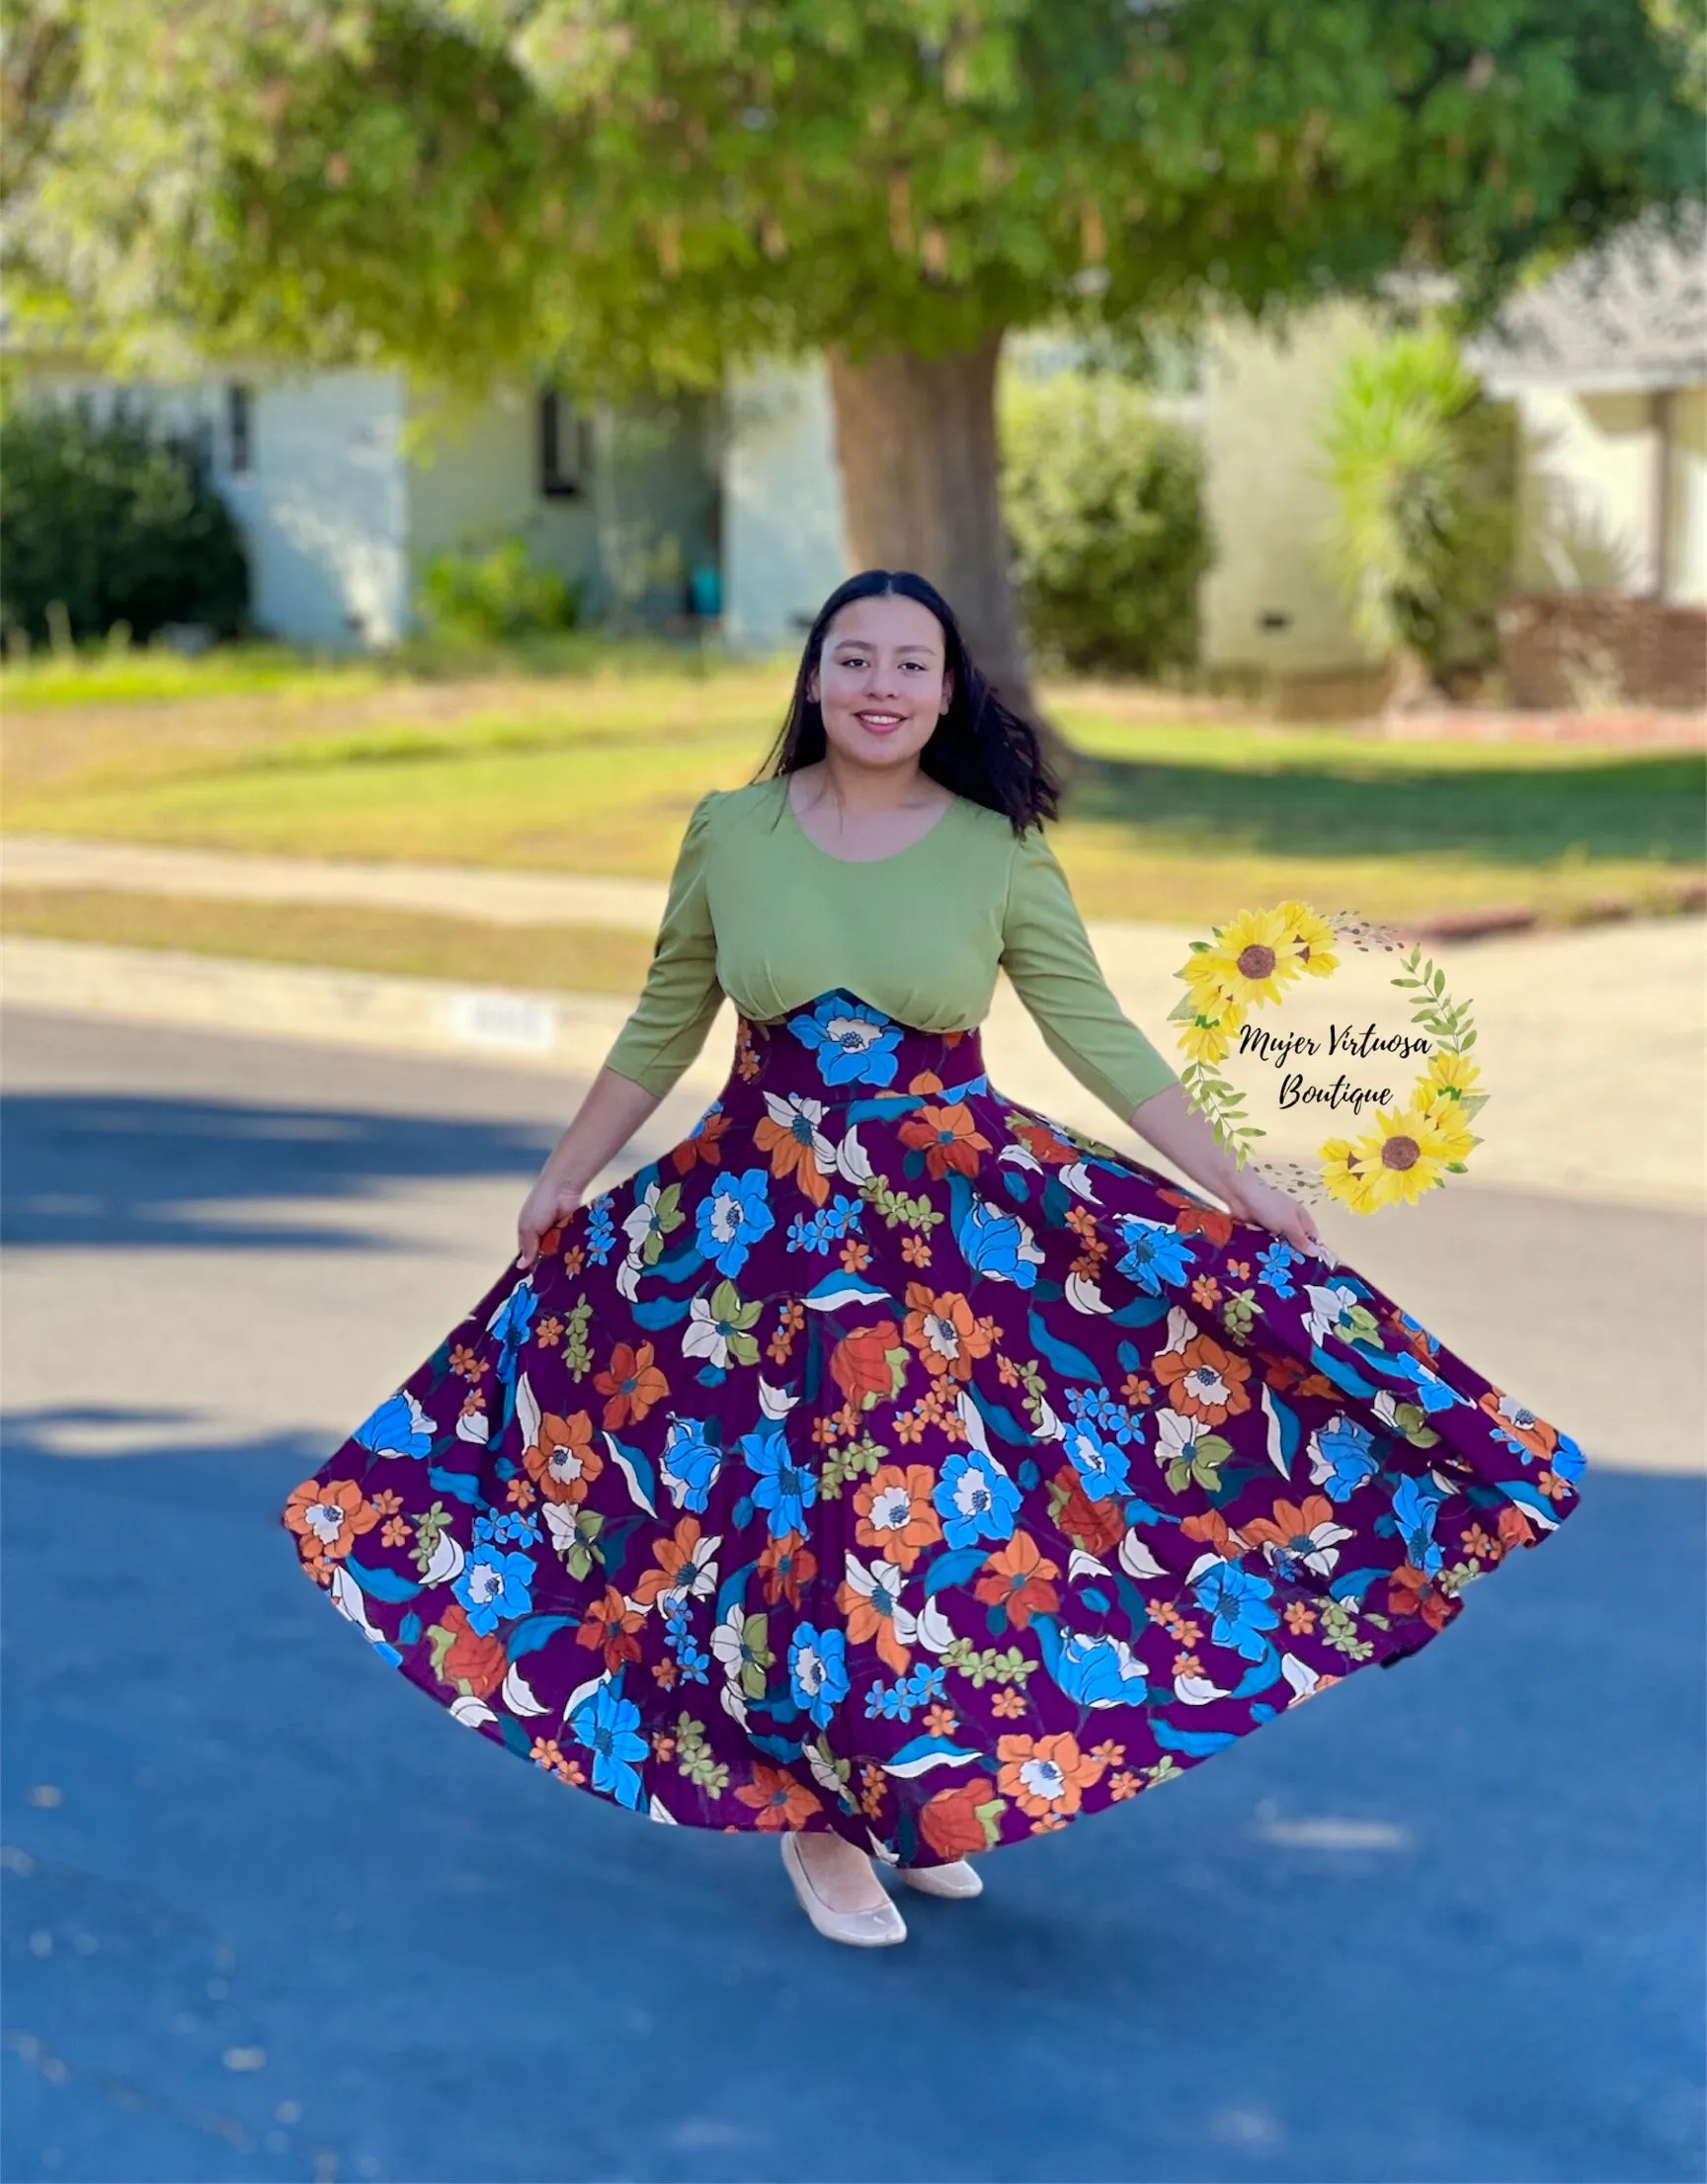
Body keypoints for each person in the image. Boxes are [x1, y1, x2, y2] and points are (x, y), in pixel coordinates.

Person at [282, 568, 1585, 1949]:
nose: (882, 686)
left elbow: (1098, 1033)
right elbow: (665, 1017)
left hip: (948, 1237)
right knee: (797, 1526)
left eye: (913, 664)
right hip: (751, 1240)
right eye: (856, 659)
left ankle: (905, 1793)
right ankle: (822, 1819)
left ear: (950, 690)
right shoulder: (732, 832)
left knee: (944, 1524)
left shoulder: (996, 847)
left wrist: (1235, 1180)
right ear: (816, 678)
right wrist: (565, 1171)